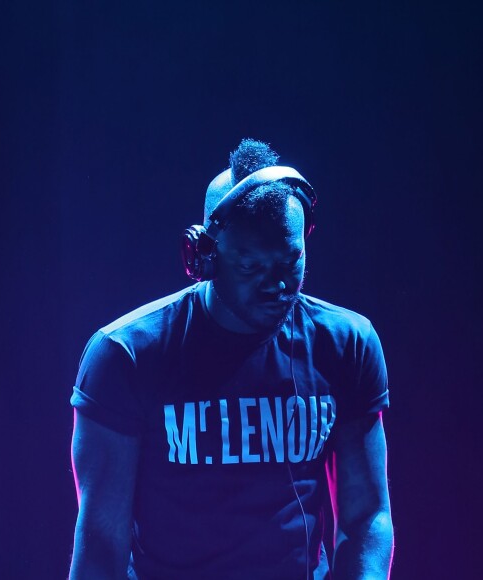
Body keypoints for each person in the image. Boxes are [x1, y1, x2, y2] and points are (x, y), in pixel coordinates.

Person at [69, 138, 394, 580]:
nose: (276, 286)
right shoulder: (126, 357)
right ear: (202, 255)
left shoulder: (346, 345)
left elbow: (367, 517)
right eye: (250, 266)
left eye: (289, 262)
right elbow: (102, 546)